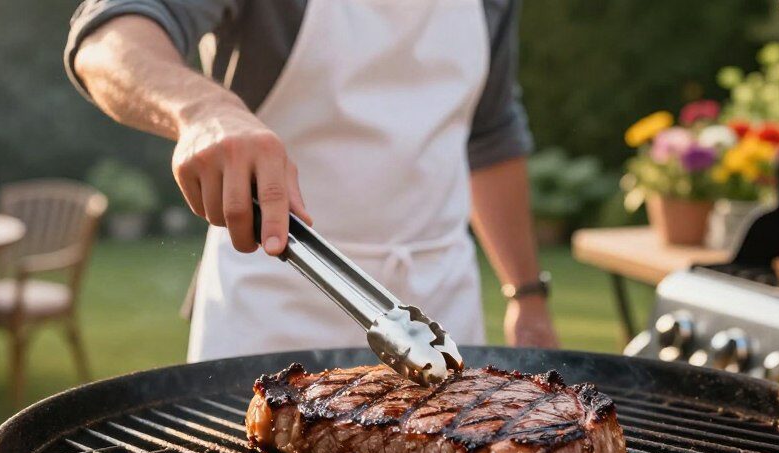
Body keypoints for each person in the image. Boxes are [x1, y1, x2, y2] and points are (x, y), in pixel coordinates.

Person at [65, 0, 558, 362]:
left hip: (438, 307)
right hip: (276, 302)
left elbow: (491, 138)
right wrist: (204, 110)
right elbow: (108, 38)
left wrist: (527, 295)